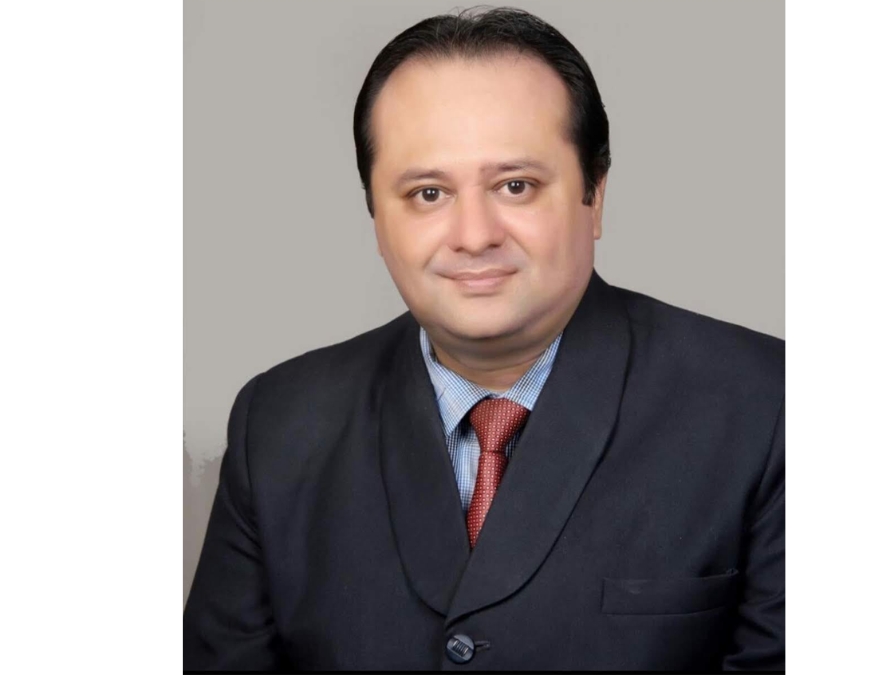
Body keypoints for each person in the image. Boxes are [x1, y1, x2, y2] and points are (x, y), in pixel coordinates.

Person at [184, 7, 783, 671]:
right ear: (375, 215)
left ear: (595, 194)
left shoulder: (766, 408)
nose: (474, 235)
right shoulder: (279, 425)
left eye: (515, 186)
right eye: (428, 193)